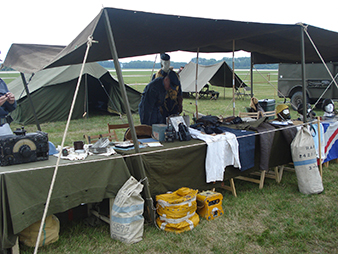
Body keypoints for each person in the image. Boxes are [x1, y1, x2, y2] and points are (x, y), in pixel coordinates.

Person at [152, 53, 183, 122]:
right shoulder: (156, 76)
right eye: (165, 63)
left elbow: (179, 91)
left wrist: (180, 104)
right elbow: (153, 94)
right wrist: (157, 106)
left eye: (168, 63)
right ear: (162, 63)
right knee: (162, 123)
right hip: (162, 104)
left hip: (174, 103)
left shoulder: (175, 76)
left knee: (175, 123)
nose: (167, 65)